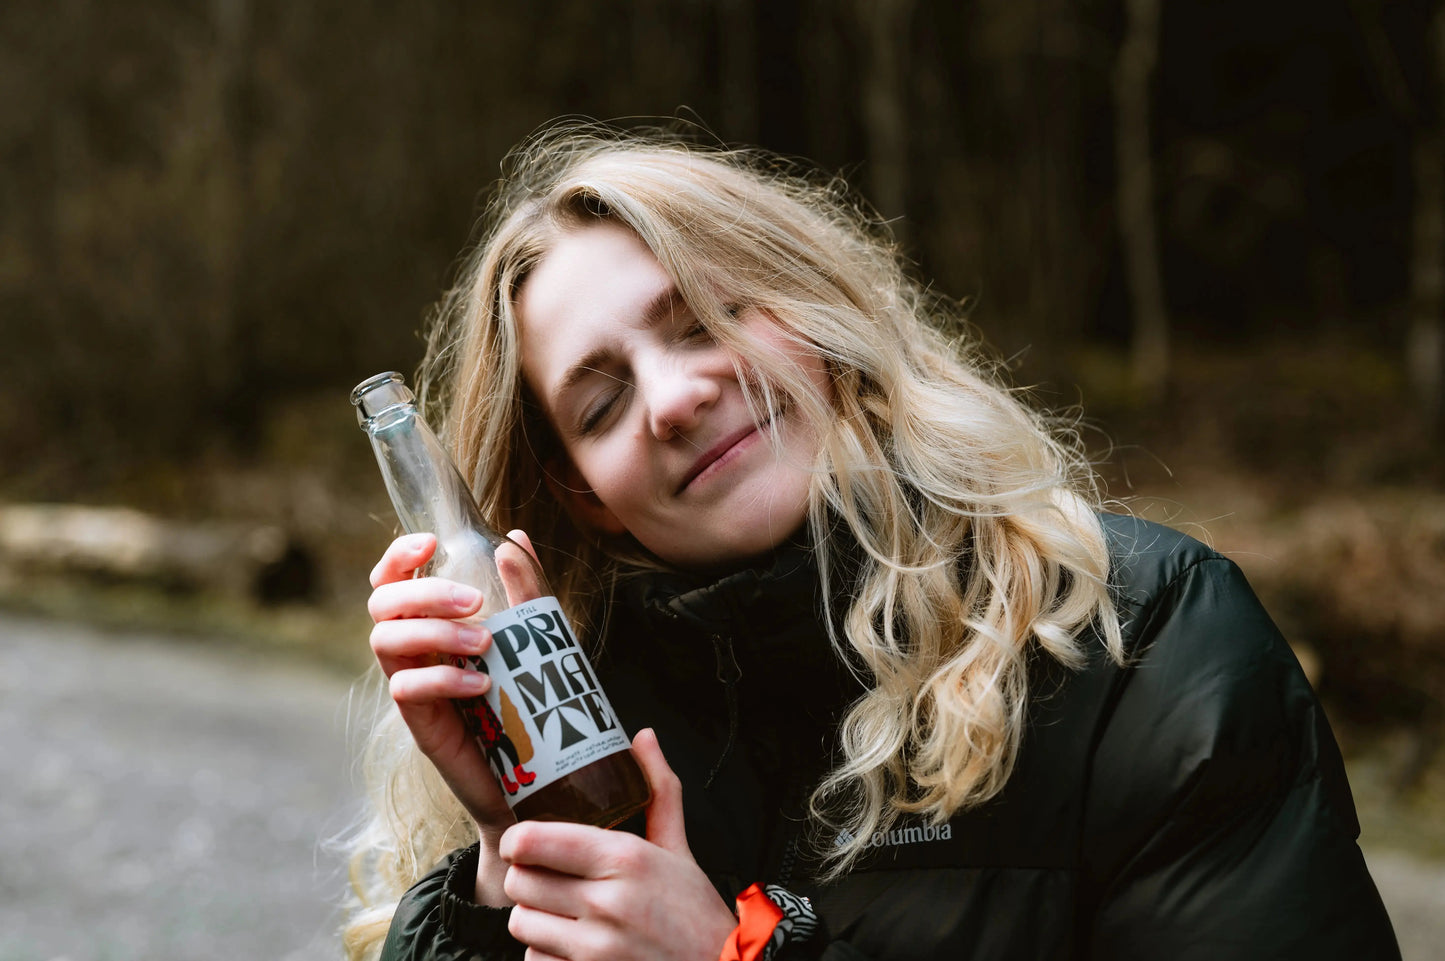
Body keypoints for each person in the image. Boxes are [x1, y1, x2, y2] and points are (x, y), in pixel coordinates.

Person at [342, 123, 1400, 961]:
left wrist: (731, 956)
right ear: (586, 496)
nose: (671, 399)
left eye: (704, 318)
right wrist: (506, 860)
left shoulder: (1150, 642)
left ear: (814, 315)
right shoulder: (598, 741)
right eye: (602, 402)